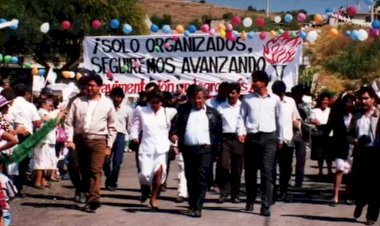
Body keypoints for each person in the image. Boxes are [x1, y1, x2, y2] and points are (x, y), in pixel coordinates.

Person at [65, 72, 117, 212]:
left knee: (95, 170)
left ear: (100, 87)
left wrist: (109, 146)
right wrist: (69, 140)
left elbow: (112, 126)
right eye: (87, 85)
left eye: (92, 85)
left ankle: (94, 198)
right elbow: (69, 123)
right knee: (84, 170)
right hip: (80, 140)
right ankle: (88, 195)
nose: (89, 88)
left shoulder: (107, 103)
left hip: (99, 140)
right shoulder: (78, 101)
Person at [170, 85, 223, 218]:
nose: (197, 101)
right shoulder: (183, 110)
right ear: (190, 99)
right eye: (194, 98)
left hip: (206, 150)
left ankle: (198, 207)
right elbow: (174, 126)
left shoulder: (213, 113)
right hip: (188, 149)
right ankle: (192, 205)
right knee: (190, 178)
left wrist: (217, 152)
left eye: (200, 98)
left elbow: (218, 134)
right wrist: (174, 134)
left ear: (205, 98)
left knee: (202, 179)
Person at [237, 71, 284, 217]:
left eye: (256, 80)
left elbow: (279, 120)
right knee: (250, 172)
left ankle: (265, 205)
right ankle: (250, 199)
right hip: (252, 138)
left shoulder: (275, 99)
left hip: (269, 138)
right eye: (253, 80)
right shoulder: (247, 99)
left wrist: (280, 138)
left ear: (264, 83)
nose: (253, 83)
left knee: (267, 171)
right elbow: (241, 117)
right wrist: (241, 132)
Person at [130, 90, 177, 210]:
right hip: (146, 147)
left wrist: (175, 138)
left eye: (157, 102)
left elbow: (177, 123)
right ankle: (145, 189)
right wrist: (134, 136)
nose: (155, 104)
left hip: (161, 148)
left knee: (159, 174)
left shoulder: (169, 112)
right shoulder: (141, 111)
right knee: (145, 175)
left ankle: (154, 198)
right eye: (153, 102)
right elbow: (135, 126)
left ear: (161, 102)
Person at [349, 86, 380, 225]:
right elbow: (348, 135)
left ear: (373, 99)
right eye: (361, 98)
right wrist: (354, 140)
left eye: (366, 98)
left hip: (376, 153)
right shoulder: (356, 115)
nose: (363, 101)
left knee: (375, 186)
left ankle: (372, 216)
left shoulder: (379, 115)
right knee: (359, 183)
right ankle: (360, 203)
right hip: (360, 152)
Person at [10, 84, 41, 196]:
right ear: (26, 93)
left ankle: (9, 186)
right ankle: (17, 188)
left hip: (10, 134)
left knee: (10, 161)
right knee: (22, 163)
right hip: (25, 135)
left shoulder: (10, 104)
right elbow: (37, 123)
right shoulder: (30, 106)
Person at [271, 81, 301, 201]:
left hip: (287, 140)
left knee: (286, 168)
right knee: (271, 167)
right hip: (272, 140)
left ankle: (283, 190)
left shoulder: (290, 101)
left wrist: (296, 123)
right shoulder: (270, 101)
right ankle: (272, 190)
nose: (279, 95)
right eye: (276, 93)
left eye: (280, 93)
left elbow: (296, 117)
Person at [215, 82, 244, 203]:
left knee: (237, 169)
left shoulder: (243, 107)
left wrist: (243, 134)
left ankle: (235, 194)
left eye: (233, 93)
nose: (230, 95)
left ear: (238, 94)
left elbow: (246, 122)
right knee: (223, 166)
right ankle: (223, 192)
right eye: (229, 93)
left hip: (239, 139)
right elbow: (216, 125)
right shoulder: (221, 107)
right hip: (224, 139)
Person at [326, 93, 355, 205]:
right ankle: (336, 195)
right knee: (339, 169)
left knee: (350, 172)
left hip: (353, 146)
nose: (349, 104)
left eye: (351, 102)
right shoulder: (336, 114)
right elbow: (329, 128)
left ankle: (348, 195)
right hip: (339, 145)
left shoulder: (356, 115)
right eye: (347, 102)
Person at [103, 87, 132, 191]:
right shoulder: (106, 107)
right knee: (105, 161)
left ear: (122, 98)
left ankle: (113, 182)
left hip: (120, 136)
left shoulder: (127, 109)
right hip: (107, 136)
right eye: (114, 96)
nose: (116, 98)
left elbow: (129, 125)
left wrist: (133, 138)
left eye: (119, 97)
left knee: (117, 162)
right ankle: (109, 177)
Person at [33, 99, 63, 188]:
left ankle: (43, 180)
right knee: (40, 160)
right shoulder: (41, 111)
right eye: (50, 106)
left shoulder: (49, 112)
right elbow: (51, 121)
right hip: (42, 139)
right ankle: (37, 181)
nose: (51, 108)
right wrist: (59, 114)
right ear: (43, 104)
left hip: (49, 140)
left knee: (47, 161)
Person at [290, 85, 310, 187]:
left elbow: (307, 119)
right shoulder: (289, 103)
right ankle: (286, 179)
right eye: (296, 94)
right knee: (287, 158)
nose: (298, 96)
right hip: (289, 133)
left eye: (300, 94)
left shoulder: (305, 106)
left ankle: (299, 180)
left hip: (301, 134)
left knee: (300, 159)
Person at [309, 92, 333, 176]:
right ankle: (320, 171)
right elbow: (310, 119)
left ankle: (330, 170)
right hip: (319, 132)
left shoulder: (331, 110)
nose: (325, 102)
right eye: (323, 100)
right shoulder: (314, 110)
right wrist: (314, 121)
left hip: (329, 132)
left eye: (327, 100)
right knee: (320, 153)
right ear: (320, 101)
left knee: (329, 154)